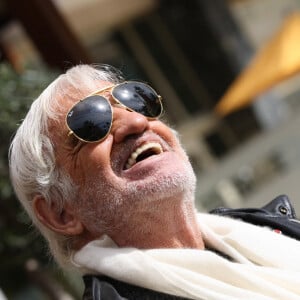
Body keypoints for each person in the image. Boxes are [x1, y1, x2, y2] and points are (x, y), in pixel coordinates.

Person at [9, 64, 300, 300]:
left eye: (136, 100)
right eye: (90, 122)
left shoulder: (273, 233)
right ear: (61, 213)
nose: (136, 122)